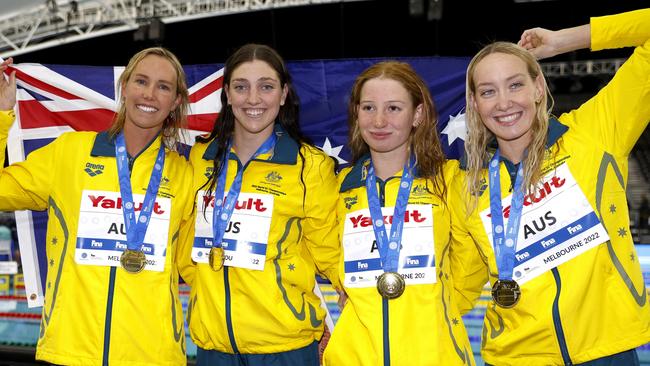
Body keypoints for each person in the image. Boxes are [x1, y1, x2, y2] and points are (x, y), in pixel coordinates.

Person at [455, 8, 650, 366]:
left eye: (515, 84)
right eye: (488, 91)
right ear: (475, 104)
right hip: (515, 356)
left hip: (606, 351)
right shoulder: (469, 186)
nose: (504, 102)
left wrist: (567, 39)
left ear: (539, 87)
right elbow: (459, 283)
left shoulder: (595, 132)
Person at [0, 47, 194, 365]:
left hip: (153, 356)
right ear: (124, 87)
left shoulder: (185, 175)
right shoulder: (70, 153)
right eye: (141, 81)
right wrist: (0, 115)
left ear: (175, 101)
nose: (150, 94)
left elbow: (198, 267)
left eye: (163, 86)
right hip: (69, 352)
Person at [181, 43, 341, 366]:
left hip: (286, 349)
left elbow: (333, 255)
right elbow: (186, 246)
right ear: (227, 94)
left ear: (283, 94)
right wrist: (206, 298)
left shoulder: (309, 166)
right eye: (241, 87)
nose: (253, 99)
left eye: (266, 87)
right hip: (214, 350)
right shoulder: (201, 159)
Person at [322, 61, 479, 366]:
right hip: (353, 357)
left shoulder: (449, 181)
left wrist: (432, 311)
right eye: (368, 108)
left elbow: (470, 263)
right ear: (356, 114)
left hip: (434, 354)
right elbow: (324, 250)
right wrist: (346, 286)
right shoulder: (339, 189)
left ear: (417, 114)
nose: (379, 121)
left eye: (393, 108)